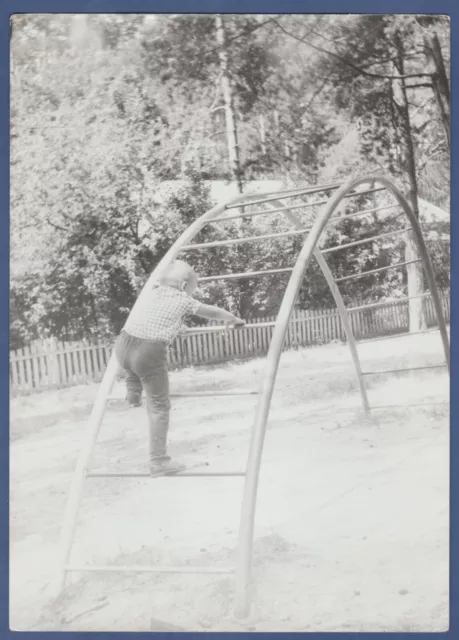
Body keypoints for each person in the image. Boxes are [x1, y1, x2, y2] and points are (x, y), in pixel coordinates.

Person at [114, 260, 245, 477]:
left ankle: (133, 394)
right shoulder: (182, 299)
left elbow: (154, 319)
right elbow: (210, 313)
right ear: (184, 286)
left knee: (133, 366)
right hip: (148, 352)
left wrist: (176, 326)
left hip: (124, 344)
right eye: (194, 288)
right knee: (158, 406)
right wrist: (232, 318)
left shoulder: (151, 294)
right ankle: (158, 461)